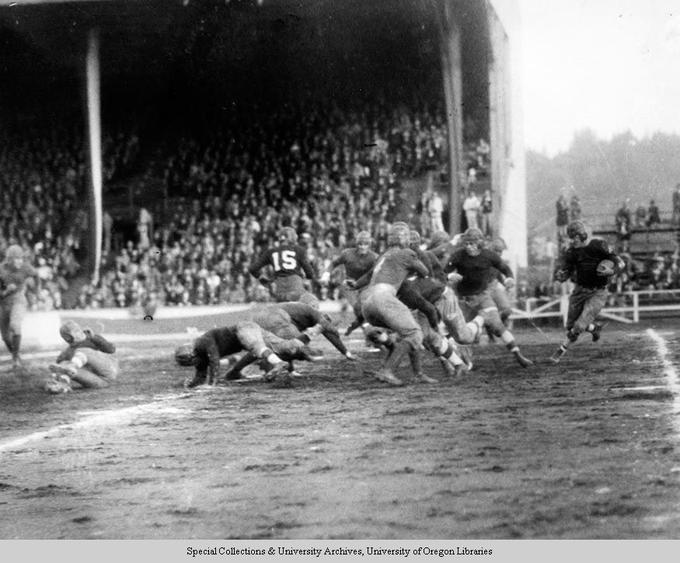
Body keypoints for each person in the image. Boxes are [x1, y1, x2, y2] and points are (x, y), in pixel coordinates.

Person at [444, 228, 533, 368]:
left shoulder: (489, 255)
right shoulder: (458, 256)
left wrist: (509, 278)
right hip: (464, 300)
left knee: (498, 327)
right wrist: (449, 276)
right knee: (462, 336)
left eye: (472, 243)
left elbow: (505, 268)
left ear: (479, 243)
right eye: (466, 243)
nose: (468, 247)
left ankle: (518, 355)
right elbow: (444, 272)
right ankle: (467, 362)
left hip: (483, 296)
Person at [550, 220, 623, 364]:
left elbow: (619, 261)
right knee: (570, 327)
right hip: (580, 290)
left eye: (575, 236)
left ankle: (560, 351)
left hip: (598, 292)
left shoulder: (598, 245)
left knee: (578, 327)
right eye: (572, 237)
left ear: (581, 235)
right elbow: (566, 270)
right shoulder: (571, 251)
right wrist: (561, 276)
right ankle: (594, 328)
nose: (573, 240)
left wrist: (612, 270)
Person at [175, 321, 321, 388]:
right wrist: (191, 385)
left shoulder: (203, 342)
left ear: (192, 353)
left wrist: (211, 384)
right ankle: (317, 329)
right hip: (247, 338)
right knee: (286, 347)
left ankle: (278, 363)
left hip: (243, 329)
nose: (193, 363)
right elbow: (200, 376)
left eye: (190, 361)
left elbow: (214, 360)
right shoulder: (200, 357)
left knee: (256, 347)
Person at [320, 231, 378, 336]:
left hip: (365, 285)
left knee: (366, 310)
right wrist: (326, 274)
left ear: (369, 245)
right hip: (349, 284)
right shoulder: (347, 254)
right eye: (360, 244)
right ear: (356, 244)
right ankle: (369, 333)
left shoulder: (374, 257)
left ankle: (368, 333)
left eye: (365, 244)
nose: (362, 247)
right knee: (358, 308)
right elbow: (334, 263)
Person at [249, 226, 318, 308]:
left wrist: (261, 278)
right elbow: (310, 274)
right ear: (291, 237)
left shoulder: (270, 252)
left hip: (279, 293)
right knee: (313, 302)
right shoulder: (299, 250)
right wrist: (303, 277)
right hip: (297, 291)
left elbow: (252, 268)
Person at [47, 321, 118, 392]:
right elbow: (59, 365)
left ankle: (72, 366)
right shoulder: (68, 351)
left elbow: (111, 349)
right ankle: (61, 386)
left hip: (109, 373)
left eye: (78, 330)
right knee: (65, 365)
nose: (80, 333)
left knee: (82, 352)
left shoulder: (92, 339)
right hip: (100, 382)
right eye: (76, 331)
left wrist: (94, 337)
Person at [0, 245, 38, 371]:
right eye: (16, 259)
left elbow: (36, 275)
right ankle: (16, 355)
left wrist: (36, 291)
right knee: (5, 337)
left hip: (18, 299)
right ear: (8, 260)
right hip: (3, 303)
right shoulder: (1, 269)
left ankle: (15, 359)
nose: (19, 261)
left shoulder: (26, 267)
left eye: (21, 258)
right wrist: (5, 291)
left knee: (15, 326)